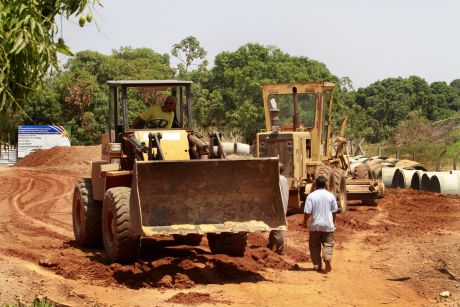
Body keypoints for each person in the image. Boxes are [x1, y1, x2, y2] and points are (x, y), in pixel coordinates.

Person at [303, 175, 338, 273]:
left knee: (314, 246)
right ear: (325, 185)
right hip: (328, 226)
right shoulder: (331, 195)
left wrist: (304, 222)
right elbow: (334, 211)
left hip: (315, 226)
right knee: (328, 244)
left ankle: (317, 265)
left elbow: (307, 212)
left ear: (316, 185)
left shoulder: (311, 196)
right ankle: (327, 259)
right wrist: (333, 222)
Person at [267, 163, 289, 255]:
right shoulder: (284, 179)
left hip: (277, 208)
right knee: (274, 226)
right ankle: (271, 245)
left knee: (279, 228)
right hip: (282, 206)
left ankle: (281, 251)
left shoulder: (275, 179)